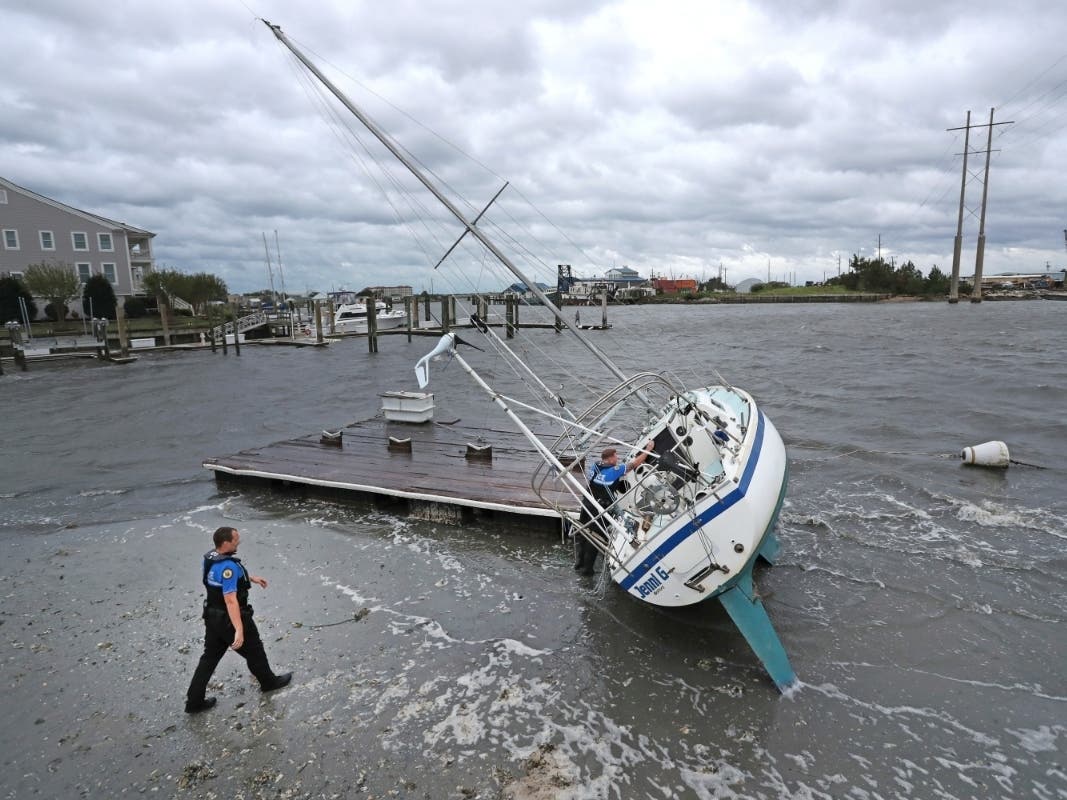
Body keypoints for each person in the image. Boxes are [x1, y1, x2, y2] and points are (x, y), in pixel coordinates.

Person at [185, 526, 292, 713]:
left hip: (212, 616)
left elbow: (222, 580)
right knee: (254, 650)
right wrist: (239, 629)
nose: (238, 543)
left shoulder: (210, 559)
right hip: (229, 618)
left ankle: (193, 702)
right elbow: (230, 600)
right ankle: (269, 682)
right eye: (236, 540)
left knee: (208, 658)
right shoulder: (228, 566)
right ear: (226, 543)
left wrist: (252, 578)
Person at [574, 442, 654, 576]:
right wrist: (648, 450)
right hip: (599, 508)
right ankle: (588, 570)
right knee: (595, 537)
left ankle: (579, 563)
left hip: (587, 503)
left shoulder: (596, 465)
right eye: (615, 457)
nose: (617, 459)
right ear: (610, 458)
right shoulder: (613, 471)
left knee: (584, 532)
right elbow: (634, 464)